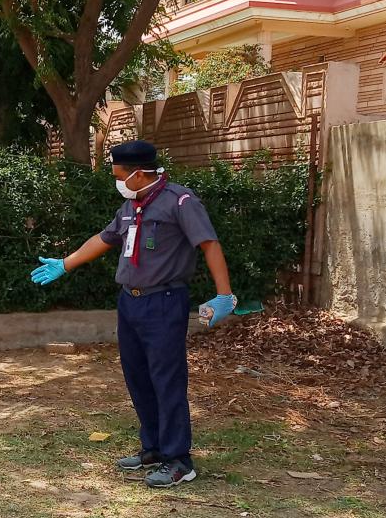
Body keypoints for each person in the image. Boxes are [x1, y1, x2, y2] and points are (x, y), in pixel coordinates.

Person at [29, 140, 236, 488]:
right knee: (137, 377)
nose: (117, 181)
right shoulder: (131, 205)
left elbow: (209, 243)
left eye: (119, 175)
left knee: (166, 380)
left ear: (139, 174)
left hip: (164, 303)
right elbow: (105, 238)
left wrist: (224, 295)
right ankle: (153, 448)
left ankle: (179, 460)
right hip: (131, 302)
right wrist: (66, 263)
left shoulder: (180, 202)